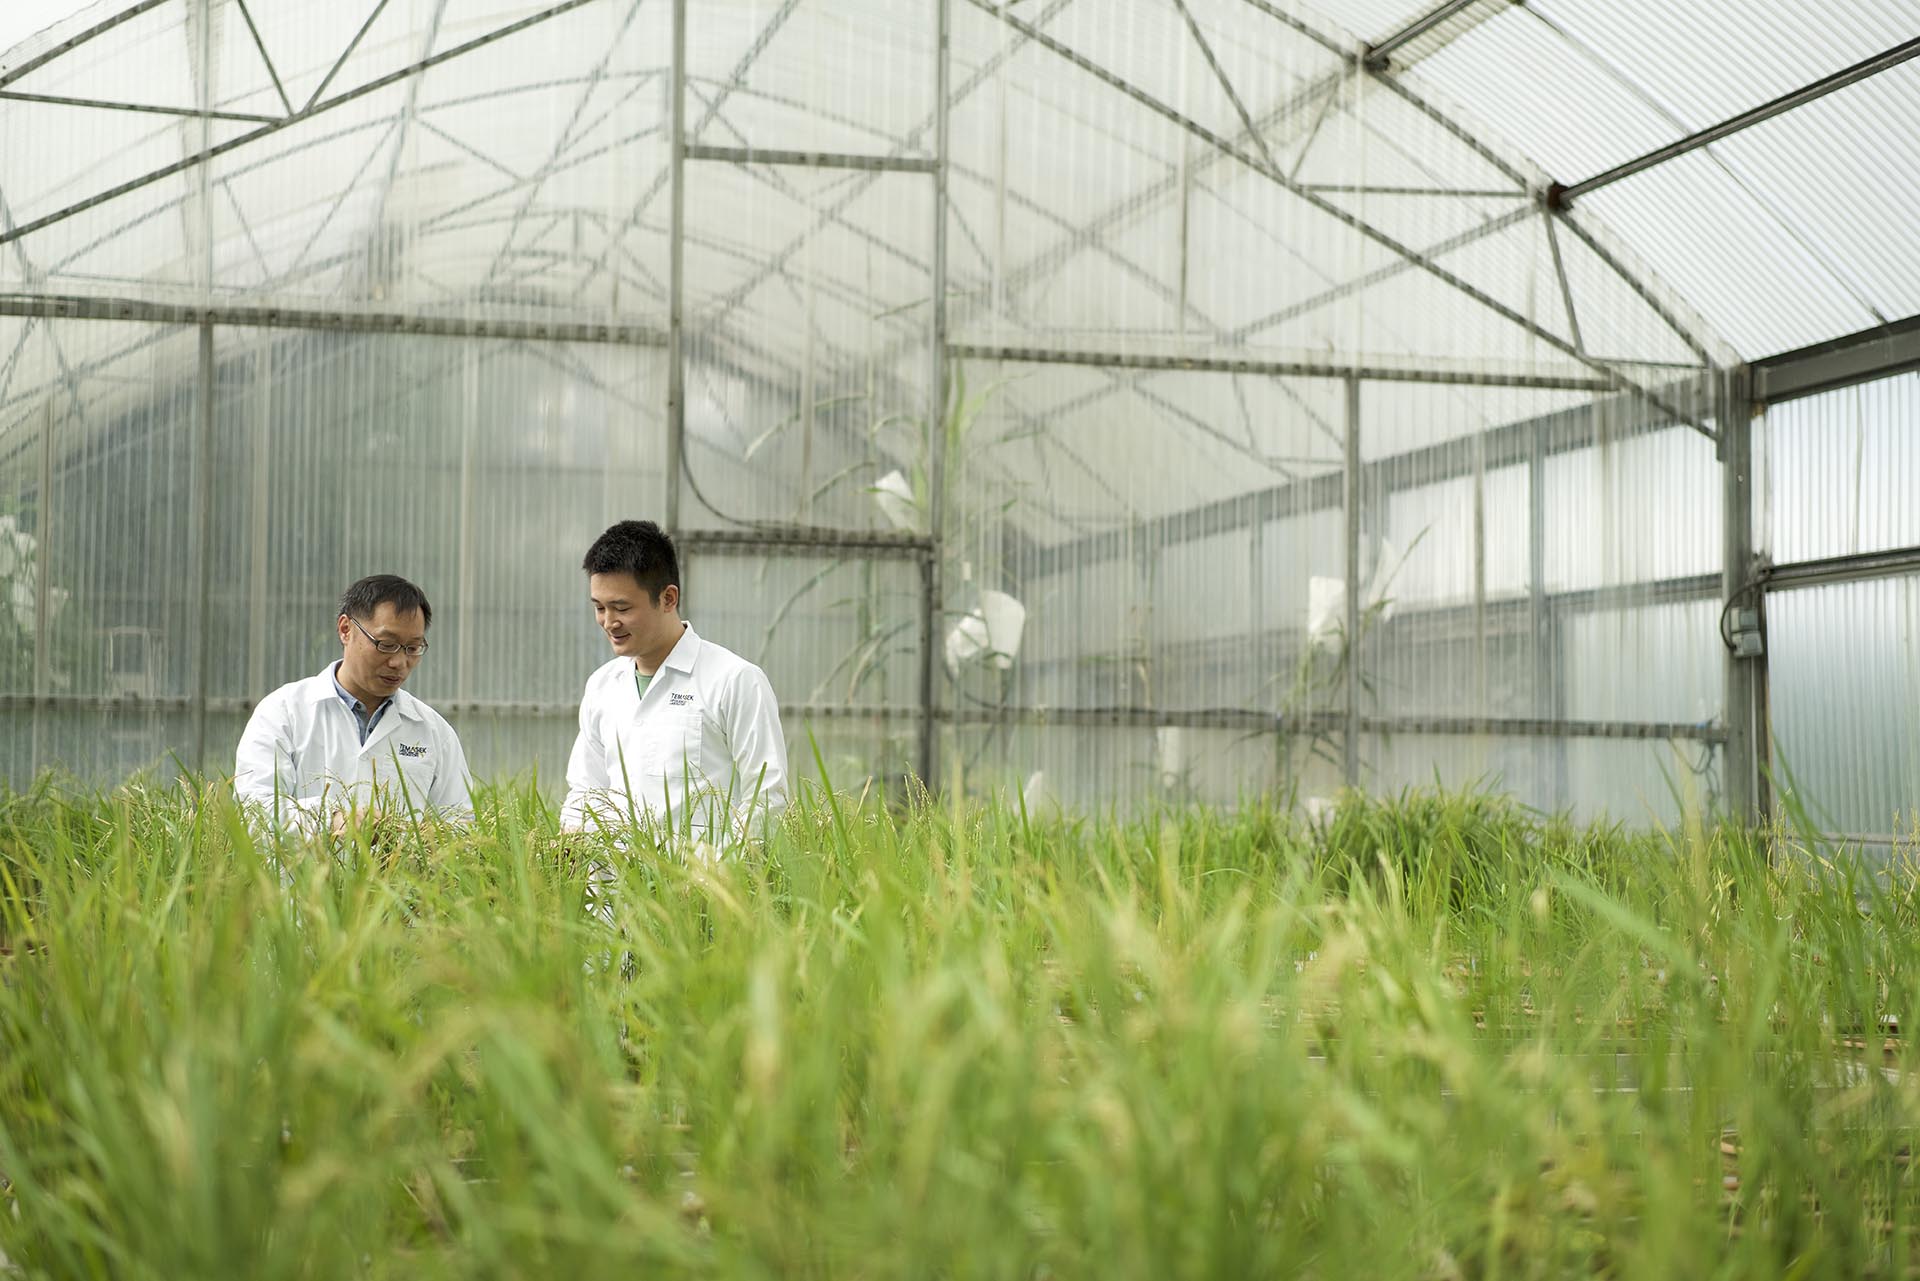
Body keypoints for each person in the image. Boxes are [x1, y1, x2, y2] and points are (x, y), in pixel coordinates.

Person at [561, 520, 788, 844]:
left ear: (668, 598)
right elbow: (585, 790)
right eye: (599, 608)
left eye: (621, 607)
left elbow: (767, 797)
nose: (609, 622)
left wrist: (719, 877)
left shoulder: (734, 680)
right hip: (612, 891)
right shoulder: (602, 686)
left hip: (700, 889)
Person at [234, 574, 473, 835]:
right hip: (300, 875)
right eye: (387, 644)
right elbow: (253, 810)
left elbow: (460, 826)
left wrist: (414, 838)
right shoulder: (283, 713)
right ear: (346, 629)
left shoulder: (434, 732)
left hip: (396, 877)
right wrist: (332, 820)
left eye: (413, 648)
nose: (399, 662)